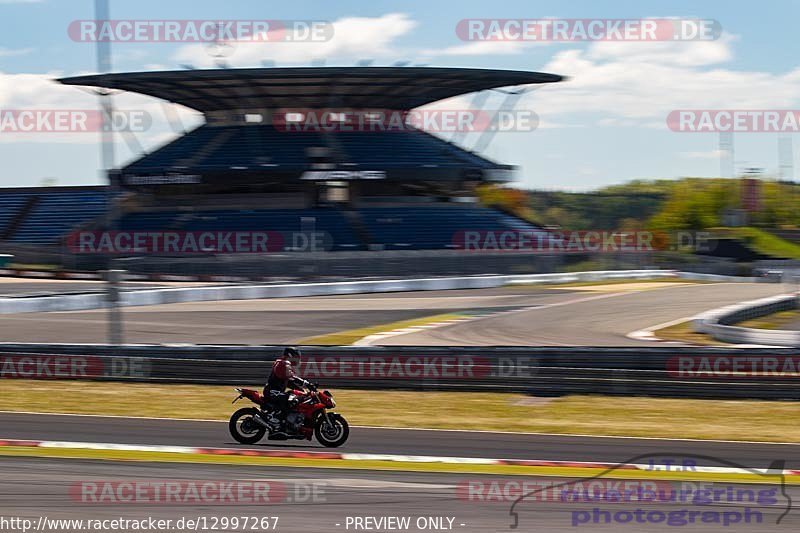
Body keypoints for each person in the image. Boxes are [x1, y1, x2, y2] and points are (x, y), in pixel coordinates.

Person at [263, 347, 312, 429]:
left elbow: (288, 381)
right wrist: (305, 383)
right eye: (296, 357)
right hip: (273, 391)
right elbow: (291, 377)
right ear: (290, 355)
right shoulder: (284, 363)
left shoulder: (283, 363)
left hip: (273, 391)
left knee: (294, 396)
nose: (298, 359)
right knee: (291, 400)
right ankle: (275, 420)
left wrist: (301, 390)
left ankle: (285, 420)